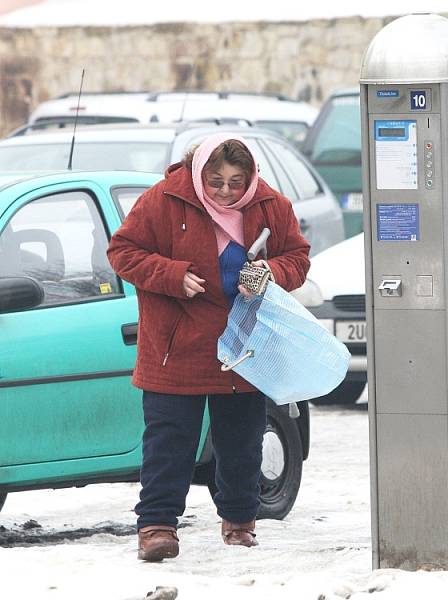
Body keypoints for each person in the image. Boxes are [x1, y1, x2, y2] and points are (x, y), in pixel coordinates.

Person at [107, 134, 310, 562]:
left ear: (251, 178)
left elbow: (298, 258)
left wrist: (270, 272)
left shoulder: (271, 205)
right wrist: (171, 274)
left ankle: (240, 523)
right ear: (198, 173)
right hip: (175, 346)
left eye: (236, 182)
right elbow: (123, 251)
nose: (225, 191)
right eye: (216, 180)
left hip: (243, 346)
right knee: (169, 441)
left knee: (242, 440)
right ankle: (157, 527)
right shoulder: (162, 200)